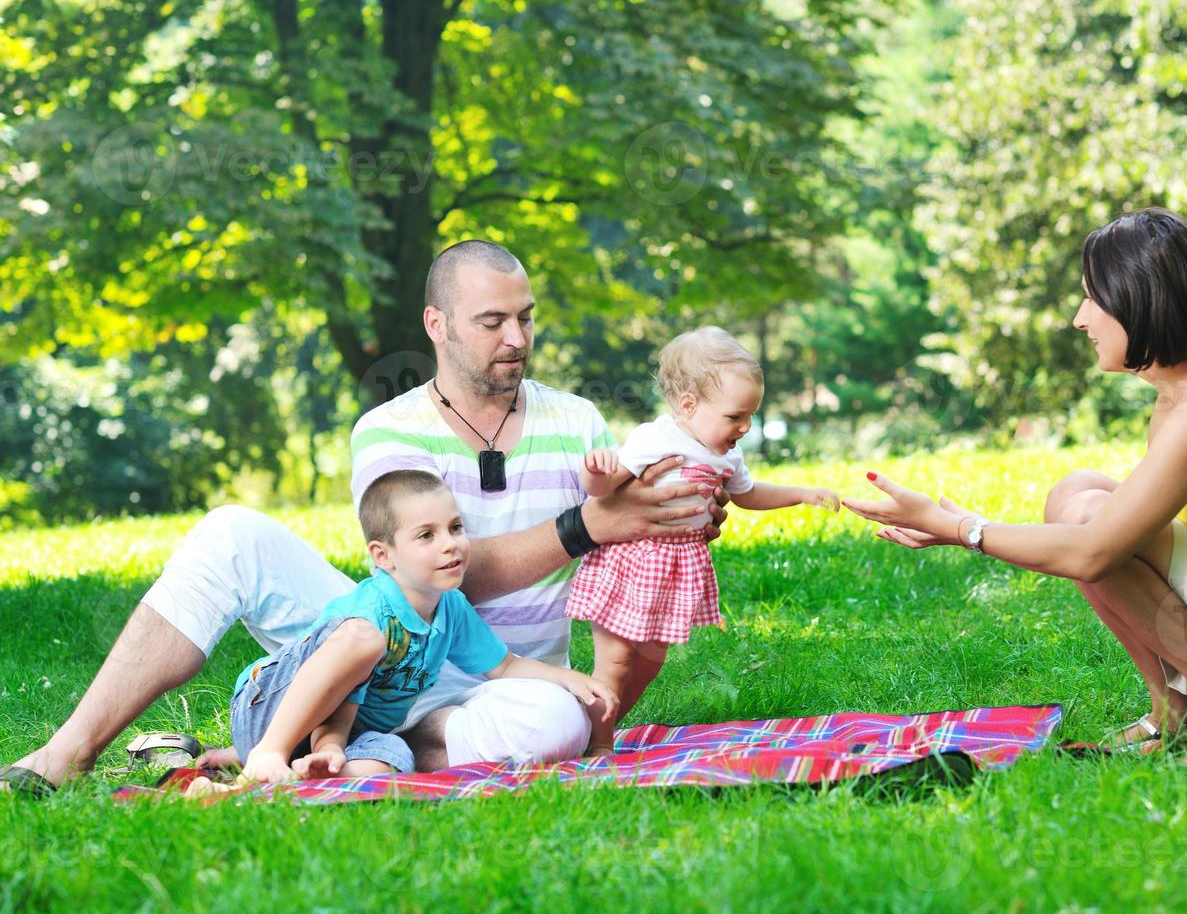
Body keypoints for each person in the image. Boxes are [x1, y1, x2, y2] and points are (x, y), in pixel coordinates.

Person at [2, 239, 727, 795]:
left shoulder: (577, 421)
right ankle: (67, 753)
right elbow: (430, 577)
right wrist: (587, 527)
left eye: (525, 317)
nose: (516, 337)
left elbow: (630, 535)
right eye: (492, 321)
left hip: (509, 684)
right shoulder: (389, 430)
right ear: (437, 324)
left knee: (558, 722)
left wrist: (682, 511)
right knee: (230, 533)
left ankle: (358, 742)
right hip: (388, 648)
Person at [843, 208, 1187, 765]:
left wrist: (963, 530)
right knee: (1074, 493)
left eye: (1092, 299)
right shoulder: (1181, 399)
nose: (1081, 319)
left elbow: (1095, 550)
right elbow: (1116, 547)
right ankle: (1176, 707)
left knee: (1090, 521)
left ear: (1140, 298)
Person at [222, 469, 616, 786]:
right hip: (271, 702)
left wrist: (569, 679)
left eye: (456, 527)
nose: (450, 544)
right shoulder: (372, 610)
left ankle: (289, 773)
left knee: (392, 764)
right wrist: (293, 741)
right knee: (362, 640)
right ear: (384, 556)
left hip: (341, 729)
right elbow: (333, 696)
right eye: (427, 535)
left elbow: (506, 667)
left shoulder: (450, 608)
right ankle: (268, 751)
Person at [567, 327, 839, 756]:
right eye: (735, 416)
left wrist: (802, 494)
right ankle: (599, 745)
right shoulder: (654, 438)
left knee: (650, 664)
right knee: (616, 662)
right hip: (631, 565)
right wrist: (595, 470)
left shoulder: (727, 454)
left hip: (674, 572)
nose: (746, 427)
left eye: (751, 415)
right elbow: (601, 490)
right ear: (689, 405)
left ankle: (597, 728)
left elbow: (748, 495)